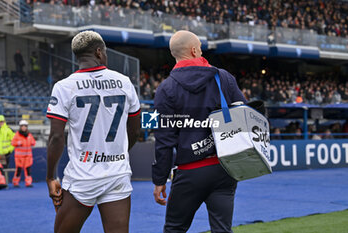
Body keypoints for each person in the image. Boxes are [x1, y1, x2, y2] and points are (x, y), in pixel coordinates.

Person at [46, 31, 140, 233]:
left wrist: (50, 177)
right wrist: (119, 153)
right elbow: (134, 130)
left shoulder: (64, 87)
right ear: (99, 52)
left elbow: (55, 137)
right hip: (117, 173)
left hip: (83, 176)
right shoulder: (124, 82)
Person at [152, 30, 247, 233]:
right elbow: (244, 115)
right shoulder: (224, 77)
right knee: (222, 230)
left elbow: (164, 140)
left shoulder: (165, 89)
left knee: (174, 229)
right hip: (223, 167)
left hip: (189, 171)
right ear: (194, 50)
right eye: (201, 48)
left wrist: (159, 180)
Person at [11, 120, 36, 187]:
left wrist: (32, 143)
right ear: (20, 127)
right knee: (18, 170)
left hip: (28, 156)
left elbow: (33, 142)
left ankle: (28, 183)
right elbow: (12, 143)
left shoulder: (29, 135)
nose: (24, 127)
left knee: (28, 170)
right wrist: (18, 143)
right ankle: (15, 183)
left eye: (25, 126)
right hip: (19, 157)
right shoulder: (17, 135)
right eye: (22, 126)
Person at [0, 115, 15, 190]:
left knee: (4, 168)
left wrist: (9, 150)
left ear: (4, 122)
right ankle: (1, 183)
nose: (0, 123)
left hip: (5, 154)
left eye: (1, 121)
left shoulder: (9, 130)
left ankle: (4, 183)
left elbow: (14, 141)